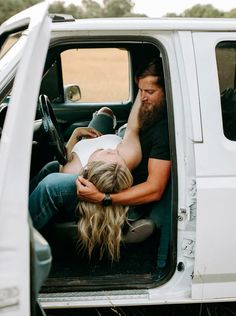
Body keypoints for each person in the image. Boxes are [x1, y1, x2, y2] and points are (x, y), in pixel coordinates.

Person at [29, 57, 171, 268]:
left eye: (149, 92)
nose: (143, 98)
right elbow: (132, 126)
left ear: (167, 90)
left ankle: (10, 240)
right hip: (109, 179)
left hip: (119, 192)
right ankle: (14, 210)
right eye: (140, 91)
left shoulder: (164, 131)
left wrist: (104, 198)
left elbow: (155, 190)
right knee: (51, 168)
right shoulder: (150, 112)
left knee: (52, 186)